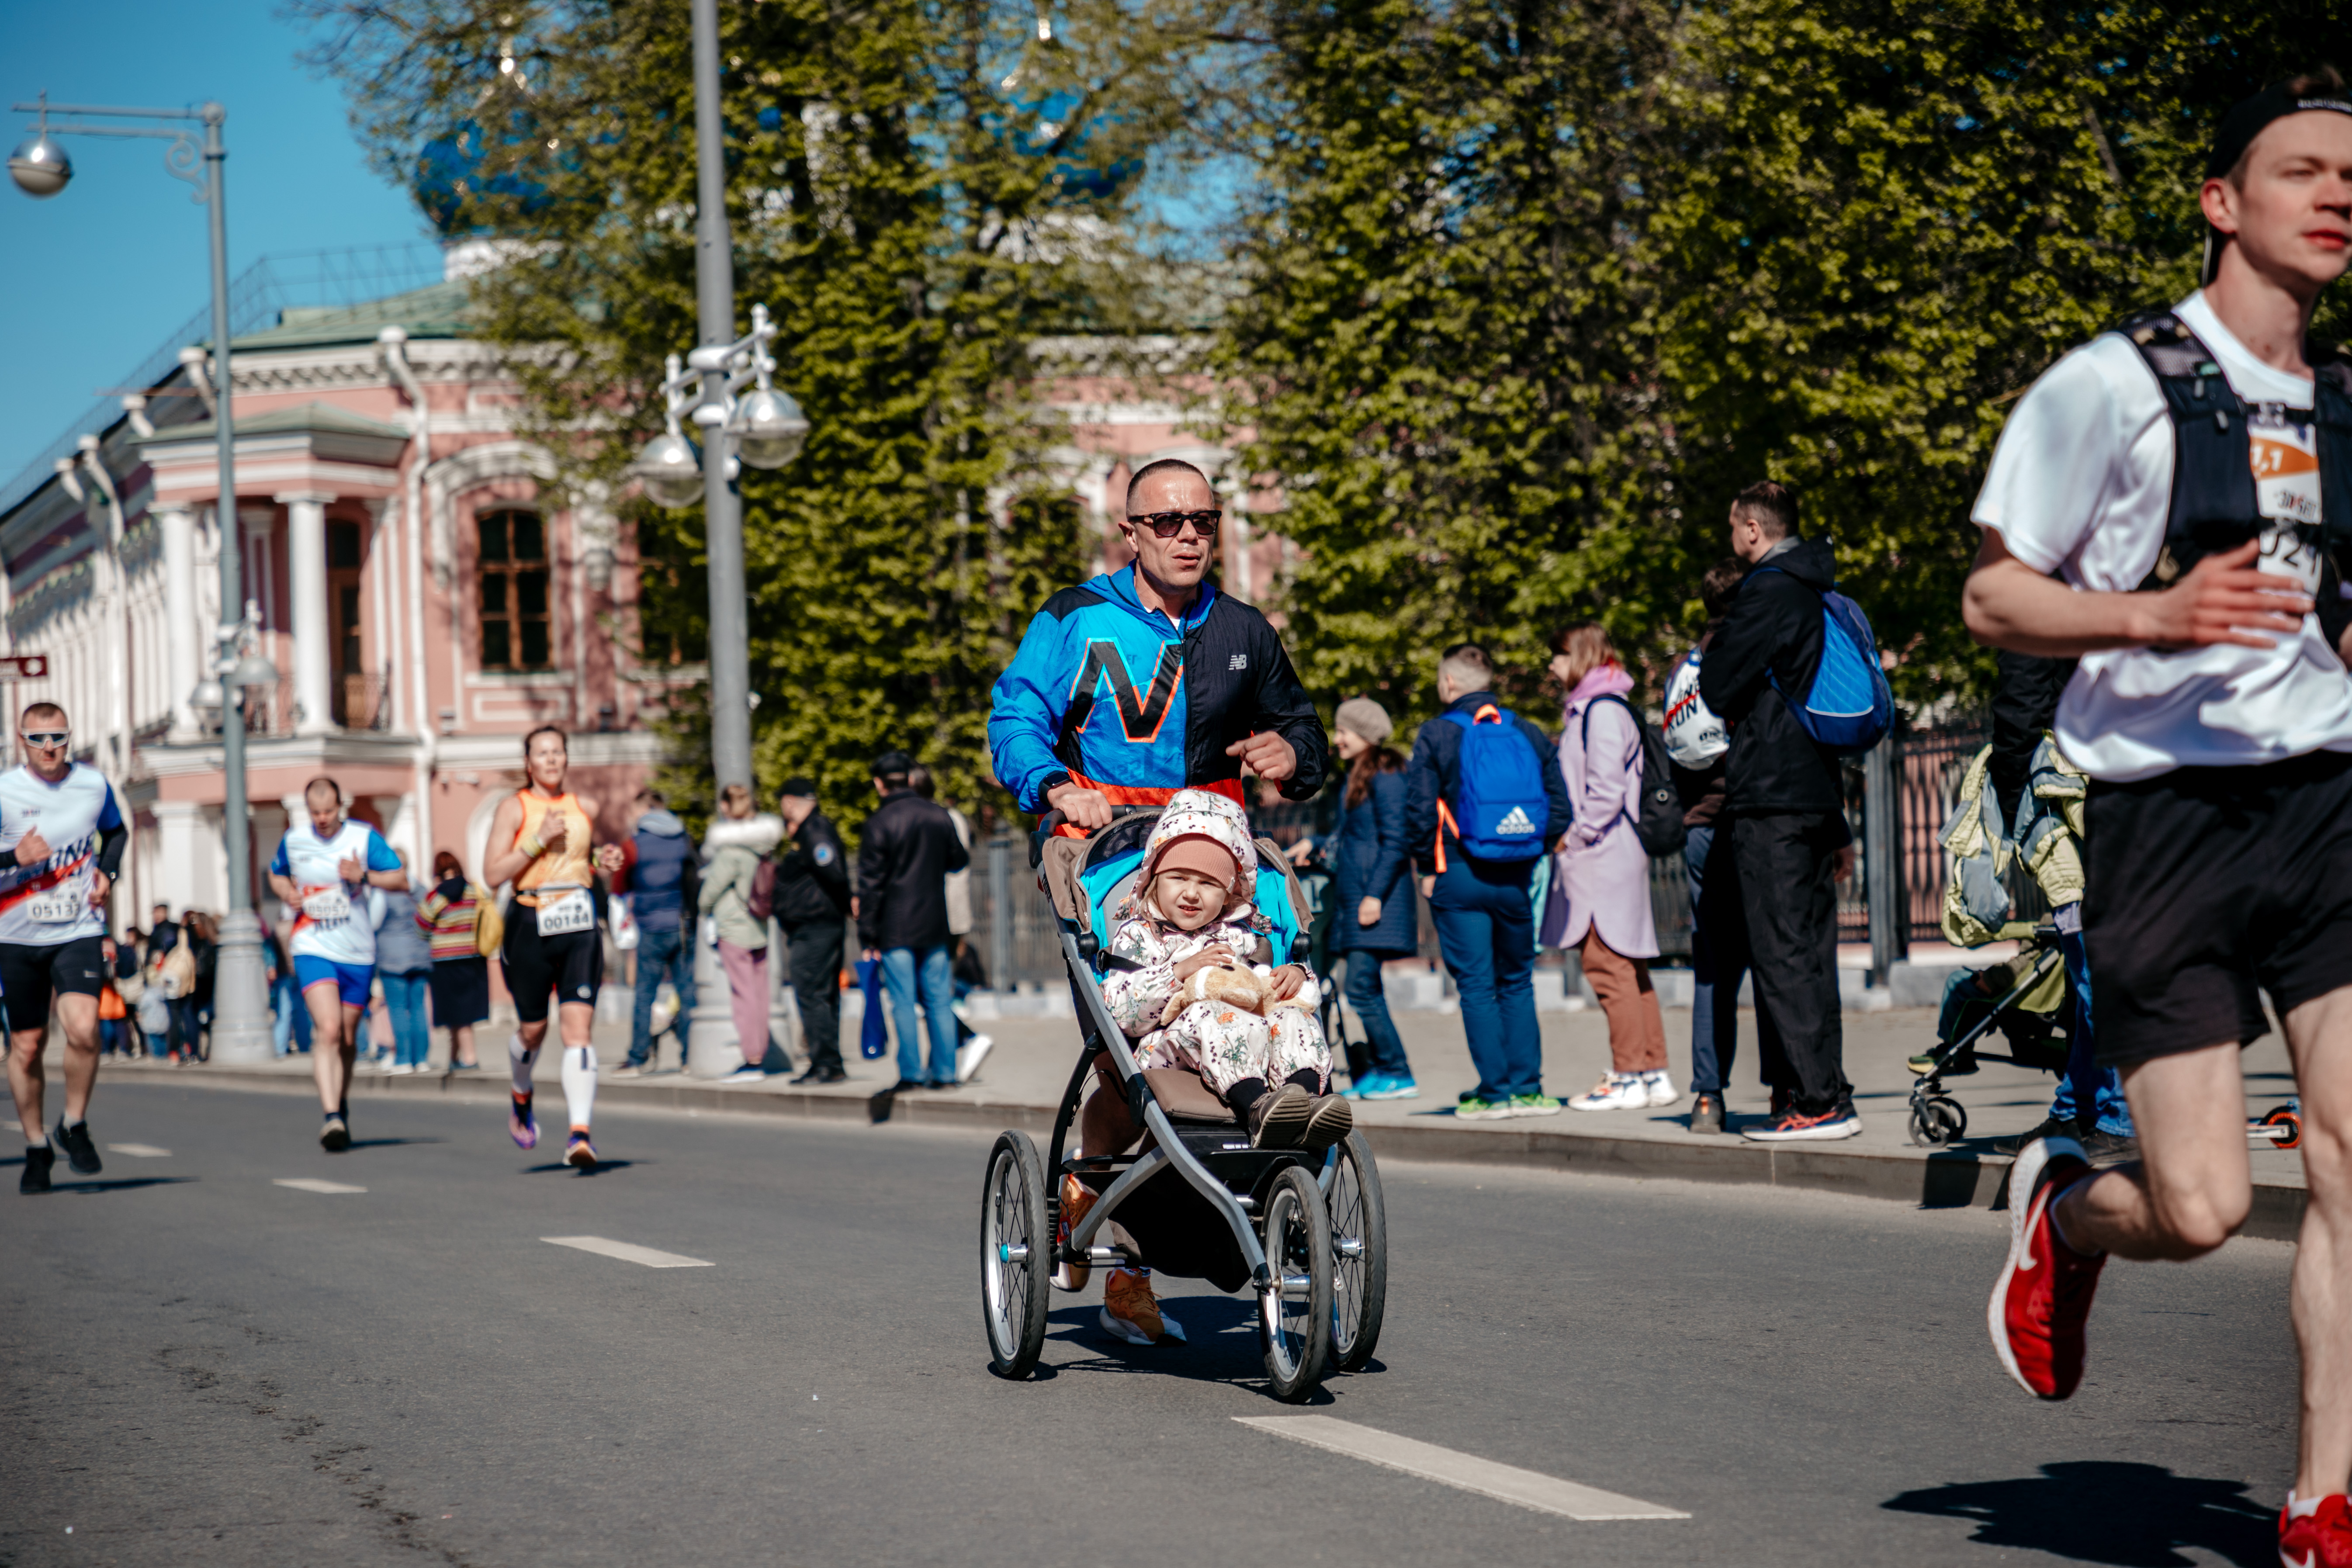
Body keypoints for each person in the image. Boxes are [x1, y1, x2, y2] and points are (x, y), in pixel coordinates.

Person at [1962, 78, 2352, 1559]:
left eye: (2351, 181)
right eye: (2298, 170)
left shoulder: (2342, 407)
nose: (2332, 197)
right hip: (2161, 814)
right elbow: (1994, 596)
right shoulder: (2110, 386)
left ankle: (2320, 1497)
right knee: (2196, 1204)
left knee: (2348, 1156)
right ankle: (2066, 1217)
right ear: (2221, 201)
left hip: (2323, 803)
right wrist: (2153, 612)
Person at [989, 456, 1331, 1341]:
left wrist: (1294, 757)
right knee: (1126, 1056)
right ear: (1131, 532)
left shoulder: (1244, 627)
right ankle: (1099, 1203)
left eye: (1204, 521)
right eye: (1169, 521)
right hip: (1107, 861)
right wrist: (1054, 785)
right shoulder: (1076, 616)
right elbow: (1015, 717)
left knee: (1254, 1007)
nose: (1189, 536)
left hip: (1216, 864)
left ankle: (1246, 1165)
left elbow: (1303, 729)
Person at [1697, 480, 1862, 1142]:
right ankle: (1825, 1088)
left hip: (1770, 794)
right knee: (1811, 952)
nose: (1731, 539)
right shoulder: (1818, 589)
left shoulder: (1765, 592)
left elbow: (1715, 685)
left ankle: (1818, 1102)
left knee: (1782, 951)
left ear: (1752, 531)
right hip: (1815, 790)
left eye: (1733, 527)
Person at [1403, 644, 1574, 1121]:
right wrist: (1529, 853)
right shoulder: (1526, 730)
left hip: (1459, 874)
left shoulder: (1437, 733)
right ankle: (1529, 1088)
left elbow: (1419, 809)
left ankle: (1494, 1093)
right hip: (1516, 878)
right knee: (1517, 981)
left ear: (1449, 683)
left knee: (1477, 985)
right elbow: (1560, 808)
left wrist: (1429, 867)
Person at [482, 727, 625, 1168]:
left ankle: (579, 1134)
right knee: (533, 1031)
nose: (550, 760)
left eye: (557, 752)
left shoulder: (586, 806)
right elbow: (492, 873)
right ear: (528, 763)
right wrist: (537, 838)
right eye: (541, 753)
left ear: (566, 758)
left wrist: (605, 860)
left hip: (579, 924)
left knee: (577, 1030)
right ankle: (521, 1090)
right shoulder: (514, 807)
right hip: (529, 923)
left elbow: (583, 858)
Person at [1546, 626, 1674, 1112]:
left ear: (1578, 656)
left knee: (1607, 965)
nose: (1552, 668)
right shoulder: (1607, 707)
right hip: (1617, 850)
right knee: (1629, 966)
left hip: (1600, 853)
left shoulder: (1597, 712)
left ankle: (1627, 1075)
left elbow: (1604, 793)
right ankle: (1652, 1070)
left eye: (1557, 657)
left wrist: (1571, 838)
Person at [1, 704, 127, 1193]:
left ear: (70, 738)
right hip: (15, 934)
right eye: (39, 739)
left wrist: (107, 872)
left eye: (58, 737)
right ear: (22, 741)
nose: (50, 747)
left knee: (83, 1028)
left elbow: (116, 832)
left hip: (78, 927)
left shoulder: (93, 785)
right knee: (27, 1046)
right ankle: (36, 1146)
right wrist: (15, 856)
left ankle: (73, 1122)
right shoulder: (6, 789)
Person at [1668, 560, 1773, 1134]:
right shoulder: (1752, 653)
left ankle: (1707, 1096)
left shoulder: (1682, 668)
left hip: (1700, 827)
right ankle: (1785, 1088)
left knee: (1712, 968)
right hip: (1753, 822)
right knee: (1773, 960)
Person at [267, 779, 406, 1150]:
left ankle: (339, 1102)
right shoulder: (295, 839)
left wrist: (364, 876)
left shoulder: (362, 838)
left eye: (328, 811)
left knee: (347, 1038)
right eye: (315, 812)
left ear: (340, 807)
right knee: (327, 1029)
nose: (322, 818)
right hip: (312, 944)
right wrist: (288, 893)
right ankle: (331, 1116)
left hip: (358, 951)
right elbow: (276, 872)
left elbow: (400, 877)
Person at [1299, 696, 1418, 1099]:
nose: (1338, 739)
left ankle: (1398, 1071)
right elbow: (1353, 837)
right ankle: (1383, 1069)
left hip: (1376, 901)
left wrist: (1374, 895)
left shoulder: (1387, 774)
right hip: (1358, 899)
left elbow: (1396, 840)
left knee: (1363, 988)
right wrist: (1314, 843)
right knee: (1364, 988)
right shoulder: (1359, 776)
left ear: (1365, 734)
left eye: (1345, 731)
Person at [857, 750, 970, 1092]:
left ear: (879, 783)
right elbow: (958, 860)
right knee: (939, 999)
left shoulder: (879, 822)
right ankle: (946, 1073)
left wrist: (868, 935)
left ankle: (911, 1074)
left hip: (895, 927)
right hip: (935, 921)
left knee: (903, 1001)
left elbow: (870, 886)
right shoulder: (938, 816)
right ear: (908, 777)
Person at [700, 783, 789, 1083]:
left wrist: (702, 906)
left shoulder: (730, 850)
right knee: (761, 993)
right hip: (759, 926)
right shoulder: (763, 846)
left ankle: (752, 1058)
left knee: (743, 994)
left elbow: (709, 891)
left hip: (734, 928)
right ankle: (760, 1051)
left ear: (726, 808)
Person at [911, 765, 994, 1083]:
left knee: (929, 992)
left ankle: (967, 1039)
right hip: (950, 916)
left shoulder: (929, 819)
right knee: (936, 991)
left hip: (935, 916)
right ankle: (940, 1061)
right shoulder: (952, 818)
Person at [771, 779, 851, 1085]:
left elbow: (832, 870)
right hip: (816, 924)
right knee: (823, 994)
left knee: (813, 994)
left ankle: (825, 1063)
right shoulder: (810, 830)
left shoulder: (814, 830)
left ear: (790, 801)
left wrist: (846, 902)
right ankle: (829, 1062)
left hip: (815, 925)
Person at [614, 789, 696, 1077]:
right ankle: (690, 1057)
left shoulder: (633, 845)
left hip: (650, 928)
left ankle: (638, 1058)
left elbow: (618, 885)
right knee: (687, 993)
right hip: (682, 926)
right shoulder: (684, 840)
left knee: (644, 995)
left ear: (647, 810)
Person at [415, 851, 487, 1071]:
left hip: (444, 960)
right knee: (464, 1010)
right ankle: (454, 1057)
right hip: (472, 957)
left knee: (454, 1011)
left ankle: (470, 1058)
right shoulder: (473, 891)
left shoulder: (436, 896)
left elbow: (421, 926)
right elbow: (486, 914)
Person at [371, 851, 433, 1075]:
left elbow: (374, 922)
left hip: (392, 957)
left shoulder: (382, 892)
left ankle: (404, 1059)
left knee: (398, 1009)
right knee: (418, 1008)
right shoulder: (421, 889)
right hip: (421, 954)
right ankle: (422, 1059)